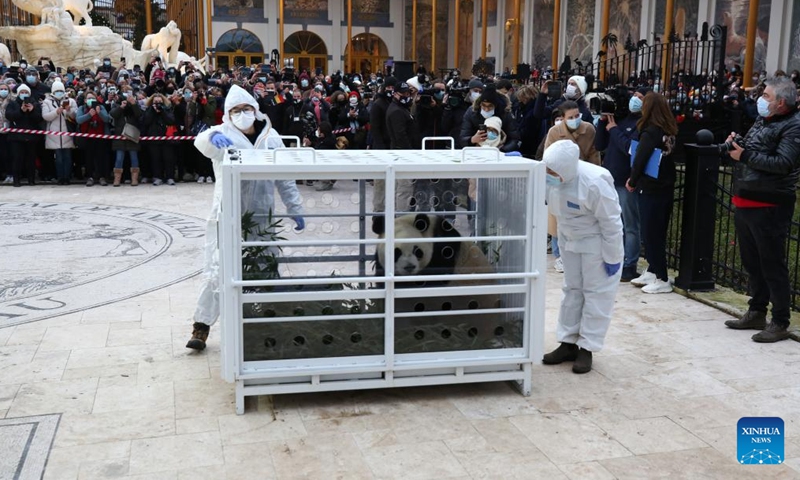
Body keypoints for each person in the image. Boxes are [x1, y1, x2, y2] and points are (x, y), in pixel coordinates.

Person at [187, 85, 304, 351]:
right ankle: (201, 326)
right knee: (218, 270)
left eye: (246, 109)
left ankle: (266, 320)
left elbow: (285, 178)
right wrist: (211, 140)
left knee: (265, 266)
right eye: (236, 110)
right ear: (228, 113)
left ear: (255, 109)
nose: (242, 114)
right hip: (228, 215)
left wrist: (294, 207)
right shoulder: (222, 135)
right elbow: (200, 141)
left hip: (262, 217)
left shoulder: (271, 137)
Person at [723, 76, 800, 342]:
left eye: (766, 96)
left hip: (771, 202)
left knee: (771, 264)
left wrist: (744, 155)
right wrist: (734, 145)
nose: (760, 99)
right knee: (752, 262)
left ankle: (780, 320)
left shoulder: (794, 126)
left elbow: (783, 162)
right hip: (747, 197)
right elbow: (754, 149)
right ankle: (757, 311)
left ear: (781, 102)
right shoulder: (763, 120)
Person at [541, 140, 623, 374]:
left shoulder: (595, 181)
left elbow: (611, 224)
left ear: (566, 169)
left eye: (552, 172)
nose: (548, 175)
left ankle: (586, 347)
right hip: (568, 239)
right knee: (572, 290)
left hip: (595, 243)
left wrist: (612, 256)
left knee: (596, 295)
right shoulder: (552, 177)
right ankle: (567, 343)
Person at [625, 92, 678, 294]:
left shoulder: (650, 131)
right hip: (664, 185)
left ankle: (662, 277)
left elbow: (640, 157)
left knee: (650, 232)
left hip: (651, 187)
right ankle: (653, 269)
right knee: (657, 230)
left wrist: (632, 179)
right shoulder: (668, 129)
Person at [595, 87, 647, 281]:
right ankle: (613, 259)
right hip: (610, 178)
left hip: (626, 181)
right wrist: (603, 123)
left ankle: (629, 264)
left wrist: (614, 129)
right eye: (634, 96)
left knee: (630, 225)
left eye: (640, 97)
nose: (635, 99)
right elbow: (599, 145)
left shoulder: (641, 124)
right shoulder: (620, 119)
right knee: (612, 224)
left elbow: (629, 148)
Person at [460, 84, 520, 151]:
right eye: (483, 105)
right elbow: (463, 138)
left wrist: (502, 150)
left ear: (496, 105)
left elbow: (514, 139)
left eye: (490, 106)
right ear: (480, 104)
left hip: (500, 152)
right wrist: (472, 140)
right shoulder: (472, 112)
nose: (486, 109)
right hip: (476, 151)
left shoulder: (505, 113)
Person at [41, 80, 77, 185]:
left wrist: (69, 111)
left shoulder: (71, 101)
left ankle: (67, 177)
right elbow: (45, 116)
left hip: (67, 133)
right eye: (57, 91)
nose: (59, 93)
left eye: (61, 91)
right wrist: (57, 112)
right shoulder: (47, 102)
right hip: (54, 134)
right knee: (58, 158)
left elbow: (75, 115)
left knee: (68, 157)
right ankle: (60, 177)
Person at [6, 83, 42, 187]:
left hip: (31, 137)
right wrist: (21, 111)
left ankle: (31, 180)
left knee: (31, 159)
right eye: (22, 92)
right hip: (16, 137)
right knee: (17, 159)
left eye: (26, 92)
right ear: (18, 93)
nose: (24, 94)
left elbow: (39, 118)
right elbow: (10, 116)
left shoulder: (35, 104)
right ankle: (16, 180)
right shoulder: (12, 104)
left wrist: (32, 111)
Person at [76, 91, 112, 186]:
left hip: (100, 137)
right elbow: (79, 120)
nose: (90, 100)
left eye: (93, 98)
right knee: (89, 158)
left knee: (101, 158)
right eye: (88, 98)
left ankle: (101, 177)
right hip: (87, 137)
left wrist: (99, 113)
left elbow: (107, 119)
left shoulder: (101, 107)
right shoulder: (82, 108)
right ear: (85, 100)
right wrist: (89, 115)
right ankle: (90, 177)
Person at [141, 93, 178, 185]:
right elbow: (146, 121)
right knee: (155, 159)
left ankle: (170, 177)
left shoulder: (167, 109)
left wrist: (162, 111)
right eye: (155, 101)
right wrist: (153, 111)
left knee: (169, 159)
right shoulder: (148, 110)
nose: (158, 103)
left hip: (167, 138)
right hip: (153, 138)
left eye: (159, 101)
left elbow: (171, 120)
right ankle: (157, 177)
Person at [109, 90, 144, 186]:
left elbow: (139, 115)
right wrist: (121, 107)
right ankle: (117, 179)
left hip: (132, 136)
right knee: (119, 158)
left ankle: (134, 179)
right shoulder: (116, 106)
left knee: (134, 157)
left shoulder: (134, 107)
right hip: (120, 137)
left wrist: (133, 104)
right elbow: (113, 114)